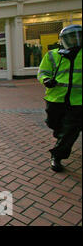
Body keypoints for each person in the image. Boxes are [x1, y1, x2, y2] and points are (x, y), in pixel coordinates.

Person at [37, 24, 82, 172]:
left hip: (78, 101)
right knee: (53, 124)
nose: (74, 40)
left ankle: (57, 155)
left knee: (71, 129)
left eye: (77, 36)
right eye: (70, 38)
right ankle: (61, 136)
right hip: (55, 98)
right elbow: (42, 72)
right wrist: (46, 80)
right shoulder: (52, 54)